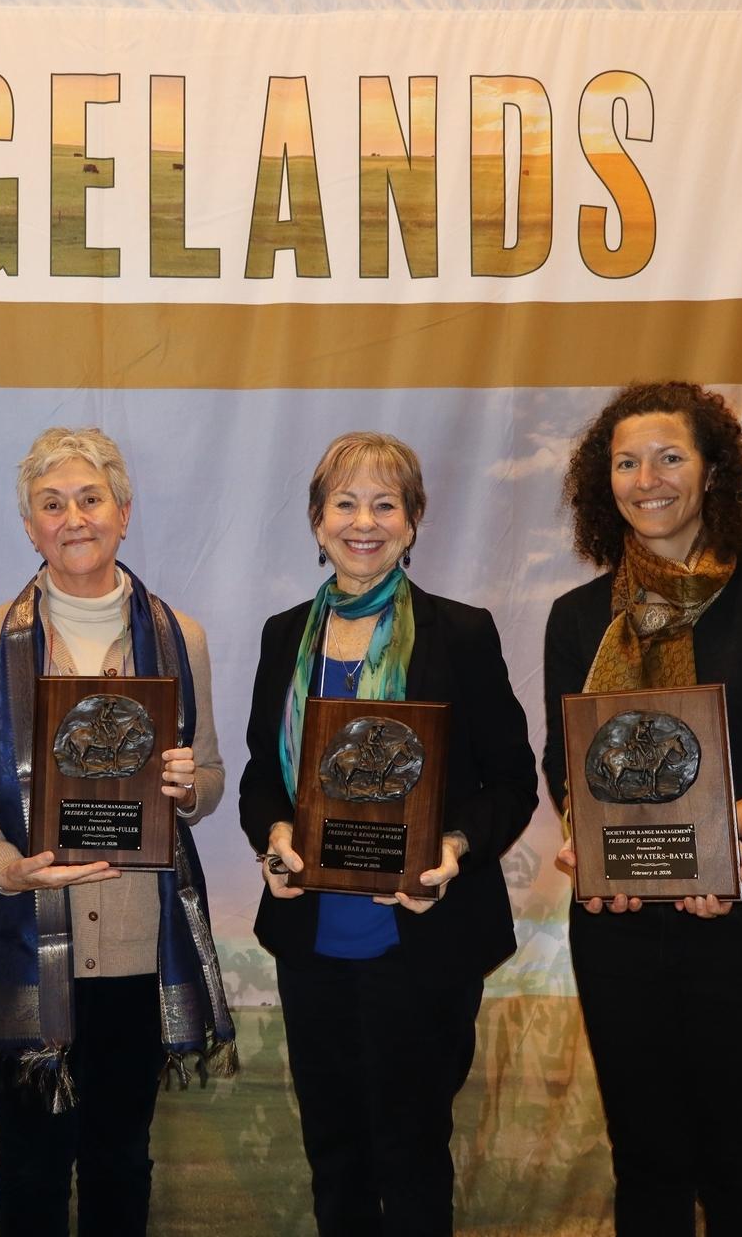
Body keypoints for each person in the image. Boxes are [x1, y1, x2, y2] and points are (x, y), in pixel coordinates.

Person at [0, 426, 235, 1237]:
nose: (74, 518)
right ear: (30, 527)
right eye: (51, 503)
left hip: (139, 949)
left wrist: (186, 785)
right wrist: (8, 867)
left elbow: (209, 777)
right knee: (30, 1169)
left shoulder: (182, 638)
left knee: (119, 1162)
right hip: (24, 941)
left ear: (123, 513)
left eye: (90, 499)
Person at [239, 430, 537, 1236]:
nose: (363, 521)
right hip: (314, 938)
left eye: (385, 503)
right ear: (316, 520)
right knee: (333, 1153)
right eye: (344, 503)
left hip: (424, 938)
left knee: (412, 1154)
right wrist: (273, 836)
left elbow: (513, 781)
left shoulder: (462, 633)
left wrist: (454, 850)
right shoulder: (281, 635)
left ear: (412, 522)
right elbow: (262, 775)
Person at [543, 381, 742, 1236]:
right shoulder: (578, 617)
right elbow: (565, 765)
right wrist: (588, 844)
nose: (645, 477)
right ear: (600, 481)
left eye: (669, 456)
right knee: (645, 1167)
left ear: (714, 470)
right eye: (624, 461)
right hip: (618, 927)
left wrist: (717, 837)